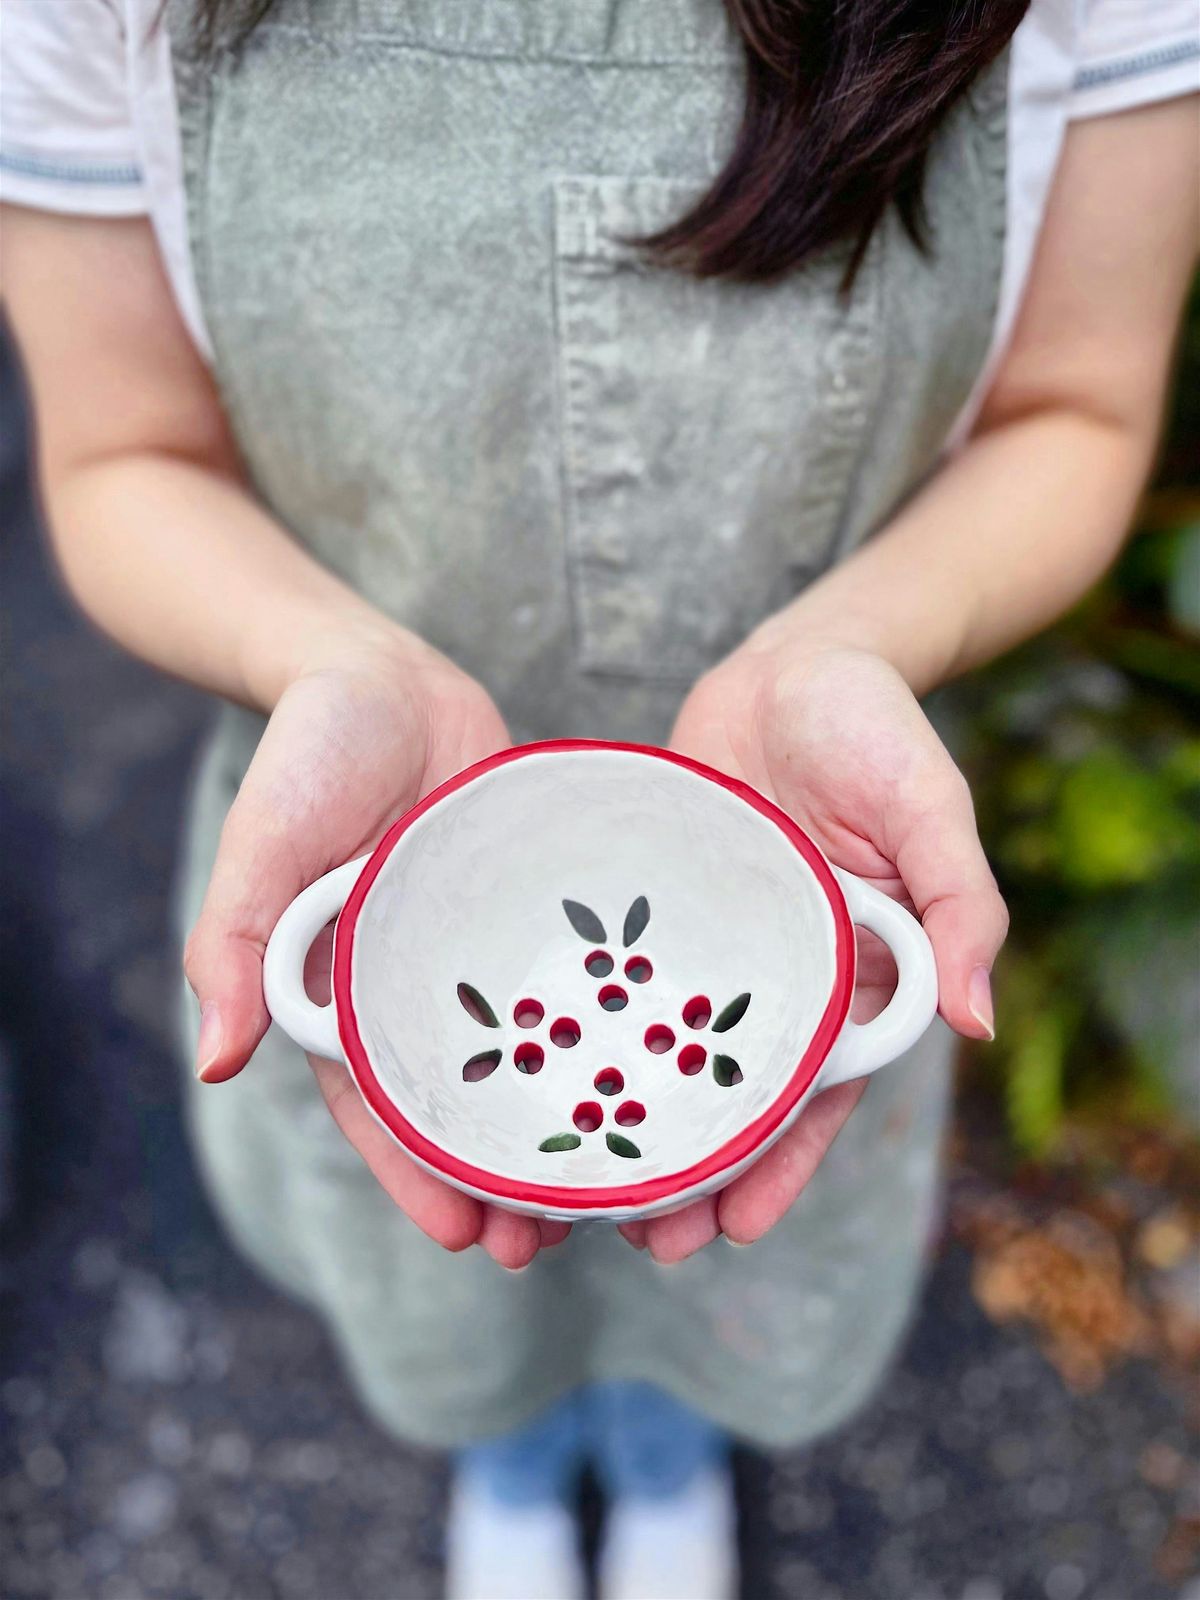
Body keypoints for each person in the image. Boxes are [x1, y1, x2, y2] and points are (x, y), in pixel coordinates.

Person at [3, 2, 1196, 1595]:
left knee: (715, 1247)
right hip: (369, 857)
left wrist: (846, 644)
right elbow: (122, 450)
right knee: (462, 1258)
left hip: (805, 874)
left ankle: (658, 1455)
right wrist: (329, 661)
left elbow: (1080, 407)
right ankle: (514, 1463)